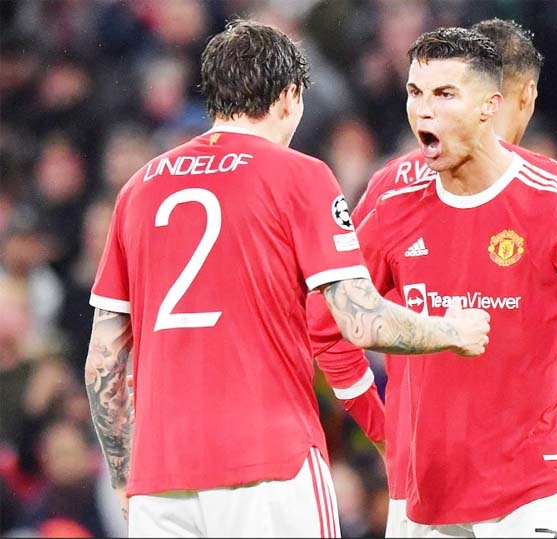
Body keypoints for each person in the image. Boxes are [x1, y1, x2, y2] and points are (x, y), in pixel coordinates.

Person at [83, 19, 492, 539]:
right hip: (268, 462)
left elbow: (104, 361)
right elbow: (362, 323)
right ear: (289, 96)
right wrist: (451, 330)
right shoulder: (298, 175)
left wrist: (124, 475)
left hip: (160, 476)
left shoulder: (138, 190)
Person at [311, 27, 557, 538]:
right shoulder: (392, 196)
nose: (424, 111)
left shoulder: (549, 200)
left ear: (490, 106)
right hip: (425, 486)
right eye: (415, 93)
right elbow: (327, 322)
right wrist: (385, 435)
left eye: (445, 95)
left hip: (530, 485)